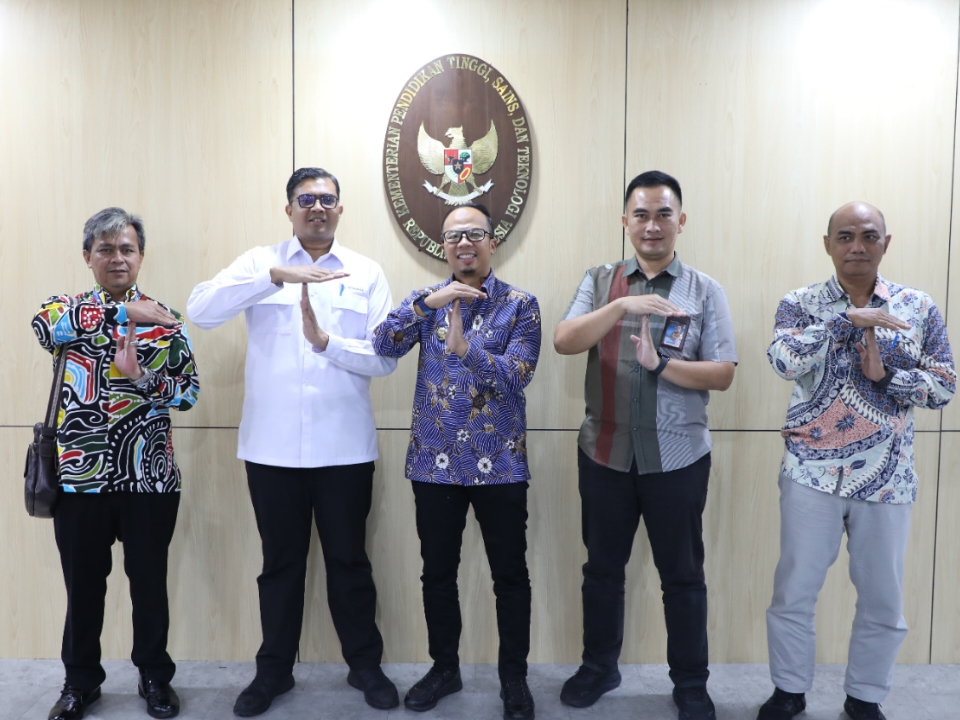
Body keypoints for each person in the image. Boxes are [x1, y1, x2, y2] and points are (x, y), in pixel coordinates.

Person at [186, 168, 399, 715]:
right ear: (289, 210)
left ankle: (365, 667)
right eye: (306, 199)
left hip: (344, 449)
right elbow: (200, 310)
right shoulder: (261, 262)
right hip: (271, 450)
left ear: (340, 208)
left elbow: (385, 357)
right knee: (279, 565)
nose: (317, 207)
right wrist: (272, 278)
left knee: (350, 562)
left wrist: (326, 343)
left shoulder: (366, 272)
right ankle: (273, 672)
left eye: (327, 199)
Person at [759, 202, 955, 720]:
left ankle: (865, 696)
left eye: (869, 236)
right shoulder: (800, 304)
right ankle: (788, 691)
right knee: (794, 591)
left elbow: (944, 386)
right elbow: (783, 360)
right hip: (810, 474)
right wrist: (844, 321)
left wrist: (887, 377)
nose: (857, 246)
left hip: (889, 478)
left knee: (883, 598)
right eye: (845, 236)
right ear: (828, 244)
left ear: (886, 243)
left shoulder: (917, 307)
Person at [554, 171, 737, 720]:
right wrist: (619, 308)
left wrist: (663, 367)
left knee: (682, 577)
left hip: (678, 456)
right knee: (601, 572)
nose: (652, 225)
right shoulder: (599, 280)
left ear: (681, 221)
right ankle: (598, 667)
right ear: (625, 221)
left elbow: (723, 373)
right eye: (641, 215)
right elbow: (564, 341)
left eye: (663, 214)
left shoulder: (704, 290)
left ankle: (690, 683)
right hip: (604, 453)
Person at [372, 202, 541, 720]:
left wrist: (466, 349)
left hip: (501, 463)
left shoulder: (521, 305)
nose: (464, 243)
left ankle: (514, 679)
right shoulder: (427, 302)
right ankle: (444, 669)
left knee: (510, 576)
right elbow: (382, 343)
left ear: (493, 241)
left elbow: (518, 375)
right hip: (434, 463)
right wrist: (429, 305)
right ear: (442, 247)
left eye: (474, 234)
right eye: (453, 236)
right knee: (437, 574)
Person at [32, 207, 200, 720]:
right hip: (79, 480)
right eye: (105, 249)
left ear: (141, 256)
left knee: (149, 587)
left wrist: (141, 377)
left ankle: (155, 678)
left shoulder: (165, 320)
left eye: (127, 248)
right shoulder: (66, 312)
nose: (117, 258)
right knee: (83, 589)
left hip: (148, 478)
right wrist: (124, 315)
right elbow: (43, 327)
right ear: (88, 257)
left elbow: (188, 394)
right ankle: (80, 683)